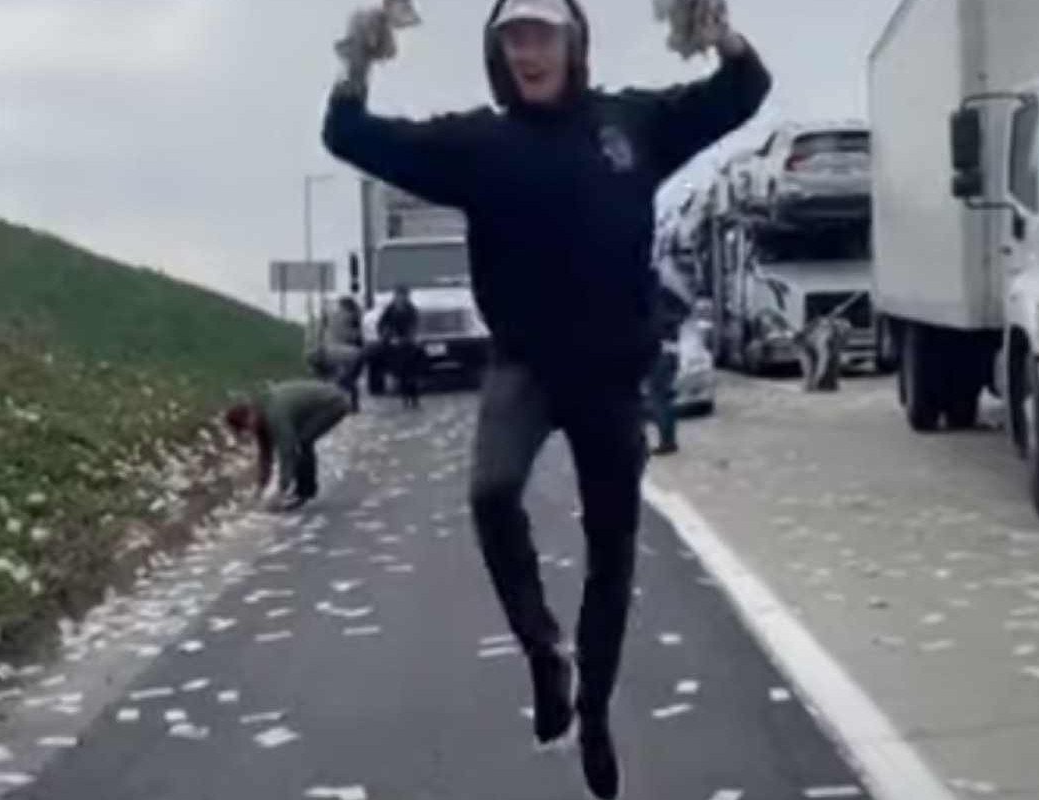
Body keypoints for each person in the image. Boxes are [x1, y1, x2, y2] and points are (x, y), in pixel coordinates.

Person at [323, 2, 769, 796]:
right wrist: (356, 64)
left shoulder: (633, 125)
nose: (528, 52)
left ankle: (593, 712)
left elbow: (743, 92)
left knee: (612, 548)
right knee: (491, 491)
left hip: (610, 374)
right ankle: (543, 651)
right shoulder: (477, 145)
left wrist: (721, 38)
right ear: (498, 53)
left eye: (541, 36)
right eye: (513, 39)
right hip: (524, 366)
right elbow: (349, 136)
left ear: (573, 44)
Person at [224, 380, 351, 512]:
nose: (250, 432)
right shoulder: (261, 414)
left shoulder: (275, 415)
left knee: (302, 443)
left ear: (251, 415)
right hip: (315, 405)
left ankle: (304, 492)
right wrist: (259, 489)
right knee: (300, 441)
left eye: (248, 427)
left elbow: (288, 451)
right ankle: (300, 491)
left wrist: (281, 490)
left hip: (334, 403)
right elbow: (265, 455)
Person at [647, 257, 694, 455]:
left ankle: (667, 442)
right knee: (664, 398)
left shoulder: (653, 297)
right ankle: (669, 440)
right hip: (669, 351)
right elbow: (685, 310)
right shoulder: (669, 295)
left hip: (661, 353)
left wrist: (661, 326)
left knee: (659, 398)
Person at [376, 284, 422, 408]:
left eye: (404, 295)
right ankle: (405, 398)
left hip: (408, 343)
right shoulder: (390, 309)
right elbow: (382, 324)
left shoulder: (411, 309)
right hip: (394, 343)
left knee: (412, 373)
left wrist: (411, 337)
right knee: (401, 372)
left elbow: (414, 325)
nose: (401, 298)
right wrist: (387, 335)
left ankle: (414, 398)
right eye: (399, 295)